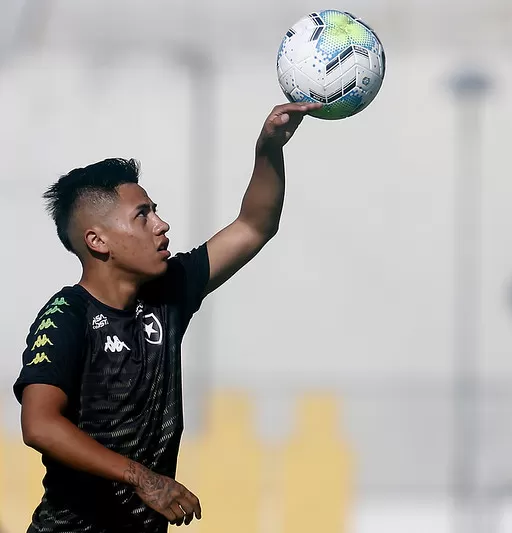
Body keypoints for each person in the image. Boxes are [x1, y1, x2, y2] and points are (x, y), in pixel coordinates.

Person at [12, 102, 323, 532]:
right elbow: (39, 424)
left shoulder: (166, 293)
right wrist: (142, 478)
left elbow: (255, 225)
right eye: (143, 215)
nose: (162, 225)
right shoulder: (67, 315)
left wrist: (269, 149)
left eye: (155, 211)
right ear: (97, 240)